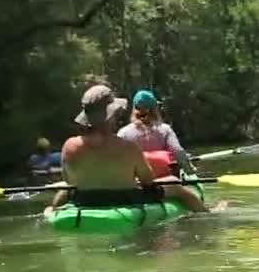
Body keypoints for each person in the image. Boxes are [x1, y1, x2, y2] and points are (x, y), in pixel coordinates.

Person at [44, 85, 208, 216]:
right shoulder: (128, 148)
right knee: (174, 184)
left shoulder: (69, 146)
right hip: (125, 199)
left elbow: (68, 180)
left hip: (85, 199)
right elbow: (148, 180)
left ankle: (51, 211)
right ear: (111, 114)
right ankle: (208, 213)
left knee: (63, 191)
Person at [117, 89, 197, 178]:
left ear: (134, 109)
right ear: (155, 109)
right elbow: (177, 151)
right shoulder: (165, 129)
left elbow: (117, 158)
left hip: (137, 183)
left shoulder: (123, 133)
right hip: (165, 181)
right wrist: (189, 170)